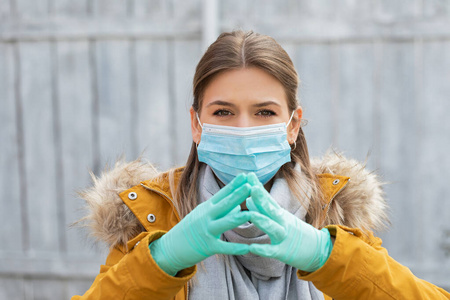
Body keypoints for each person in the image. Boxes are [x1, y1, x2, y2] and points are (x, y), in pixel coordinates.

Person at [72, 30, 450, 300]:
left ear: (293, 124)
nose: (243, 129)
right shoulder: (153, 216)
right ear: (196, 124)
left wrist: (325, 255)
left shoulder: (334, 214)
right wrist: (164, 260)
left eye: (265, 112)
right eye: (223, 111)